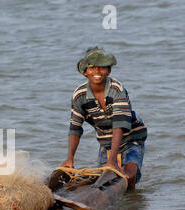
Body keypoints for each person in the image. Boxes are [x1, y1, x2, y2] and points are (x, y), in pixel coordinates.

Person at [61, 47, 147, 190]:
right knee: (102, 183)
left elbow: (119, 126)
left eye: (102, 68)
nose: (97, 72)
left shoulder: (116, 89)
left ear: (109, 71)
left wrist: (112, 162)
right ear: (85, 71)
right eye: (92, 68)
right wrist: (70, 159)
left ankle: (131, 206)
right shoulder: (79, 95)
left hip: (132, 138)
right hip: (106, 141)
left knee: (129, 177)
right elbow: (75, 128)